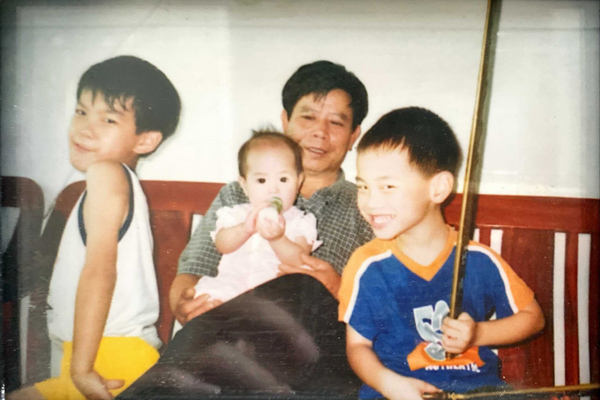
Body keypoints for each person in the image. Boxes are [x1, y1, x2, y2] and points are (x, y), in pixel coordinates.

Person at [117, 60, 374, 399]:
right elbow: (192, 272)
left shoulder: (367, 205)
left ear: (354, 135)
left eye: (336, 122)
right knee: (223, 344)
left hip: (314, 357)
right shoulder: (237, 195)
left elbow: (382, 308)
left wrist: (333, 284)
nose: (319, 132)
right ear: (285, 121)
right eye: (307, 117)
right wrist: (184, 305)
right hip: (231, 343)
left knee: (300, 287)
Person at [338, 107, 545, 400]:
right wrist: (389, 384)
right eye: (363, 186)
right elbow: (357, 347)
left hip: (477, 392)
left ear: (438, 188)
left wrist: (478, 335)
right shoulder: (366, 265)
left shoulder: (478, 259)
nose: (370, 202)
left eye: (387, 186)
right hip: (396, 392)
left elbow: (533, 318)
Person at [9, 56, 181, 400]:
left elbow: (100, 270)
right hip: (111, 356)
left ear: (145, 141)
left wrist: (82, 369)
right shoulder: (110, 181)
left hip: (108, 360)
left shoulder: (107, 174)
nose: (86, 127)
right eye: (82, 111)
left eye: (109, 119)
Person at [192, 129, 321, 304]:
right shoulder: (237, 214)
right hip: (231, 288)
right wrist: (244, 229)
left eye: (283, 180)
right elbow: (222, 245)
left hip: (275, 295)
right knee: (208, 299)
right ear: (244, 185)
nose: (273, 189)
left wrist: (278, 238)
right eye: (261, 181)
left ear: (298, 182)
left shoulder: (301, 220)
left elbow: (299, 260)